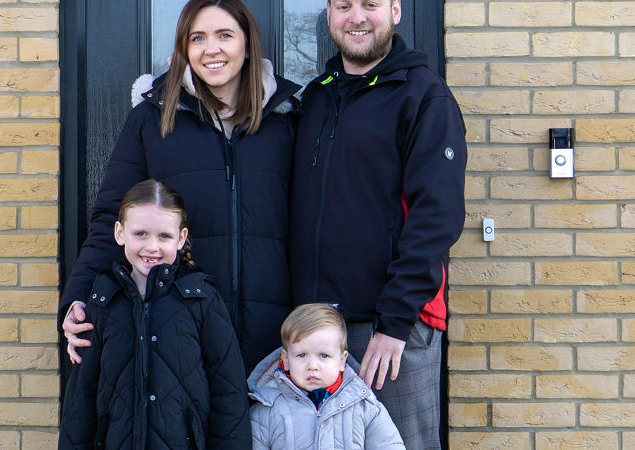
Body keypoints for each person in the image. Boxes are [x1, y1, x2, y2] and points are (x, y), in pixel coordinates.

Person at [60, 0, 300, 371]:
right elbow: (113, 217)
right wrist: (78, 295)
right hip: (179, 331)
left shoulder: (287, 120)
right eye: (197, 38)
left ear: (248, 45)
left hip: (278, 337)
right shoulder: (152, 121)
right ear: (184, 49)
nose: (212, 49)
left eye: (225, 35)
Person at [289, 0, 467, 448]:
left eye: (370, 4)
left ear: (395, 11)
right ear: (329, 14)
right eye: (344, 5)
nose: (357, 17)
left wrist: (395, 323)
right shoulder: (315, 98)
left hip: (389, 331)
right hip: (316, 331)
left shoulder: (423, 95)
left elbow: (436, 217)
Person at [59, 180, 251, 449]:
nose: (152, 247)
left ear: (181, 238)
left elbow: (230, 396)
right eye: (140, 234)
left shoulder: (202, 300)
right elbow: (81, 399)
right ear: (119, 232)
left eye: (164, 236)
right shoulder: (102, 302)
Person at [248, 303, 404, 449]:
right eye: (302, 355)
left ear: (342, 361)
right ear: (286, 360)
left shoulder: (364, 406)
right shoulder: (267, 409)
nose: (312, 366)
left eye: (323, 355)